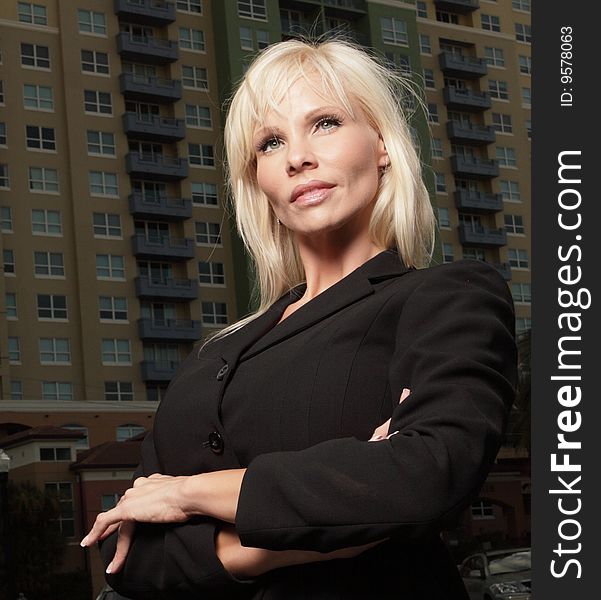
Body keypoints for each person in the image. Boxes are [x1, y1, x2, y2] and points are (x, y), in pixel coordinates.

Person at [82, 39, 517, 599]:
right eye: (270, 142)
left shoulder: (445, 297)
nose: (297, 157)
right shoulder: (214, 355)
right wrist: (336, 518)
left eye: (326, 122)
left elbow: (427, 474)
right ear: (258, 182)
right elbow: (134, 561)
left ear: (383, 144)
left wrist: (187, 494)